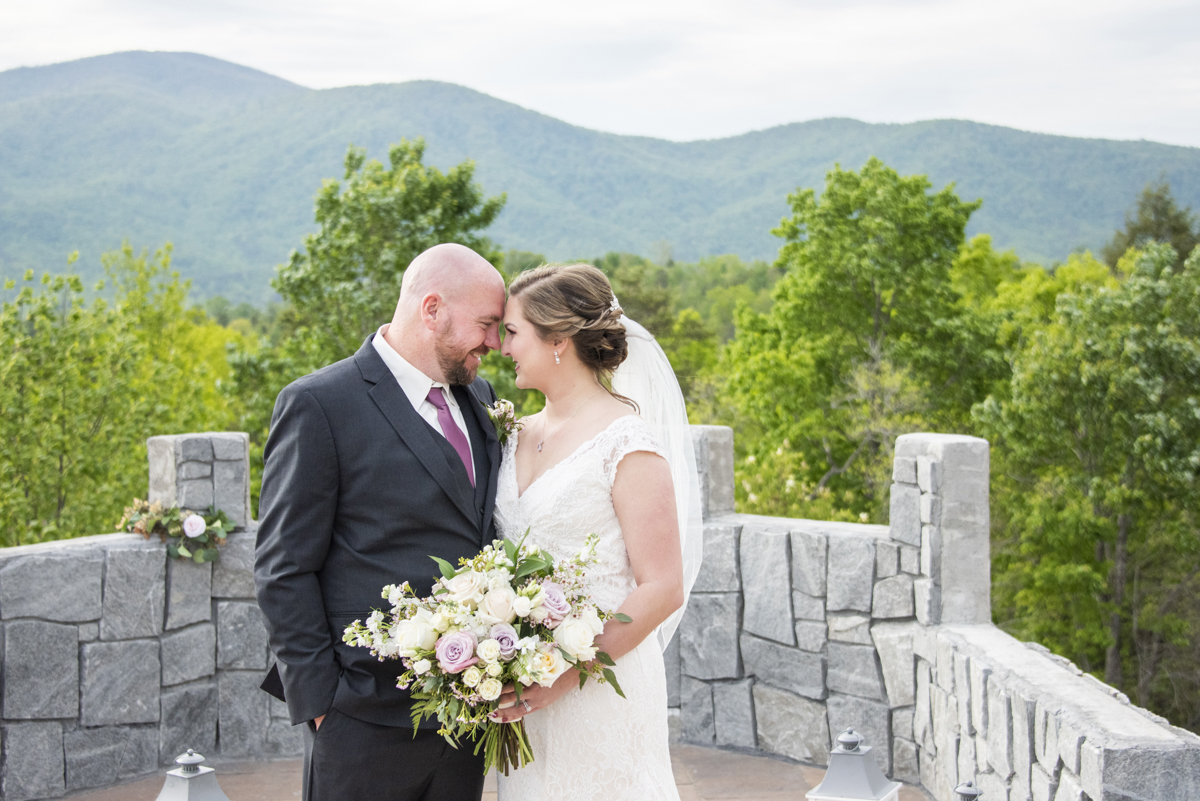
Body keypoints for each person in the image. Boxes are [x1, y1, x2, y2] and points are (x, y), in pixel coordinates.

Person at [254, 243, 506, 801]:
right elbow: (282, 568)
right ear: (432, 309)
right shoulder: (320, 404)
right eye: (487, 324)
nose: (495, 342)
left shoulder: (479, 397)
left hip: (464, 716)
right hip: (359, 718)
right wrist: (323, 705)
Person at [490, 262, 701, 801]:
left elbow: (662, 586)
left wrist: (561, 674)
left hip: (599, 685)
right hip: (524, 686)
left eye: (512, 332)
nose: (500, 345)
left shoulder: (627, 443)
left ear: (558, 340)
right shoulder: (512, 432)